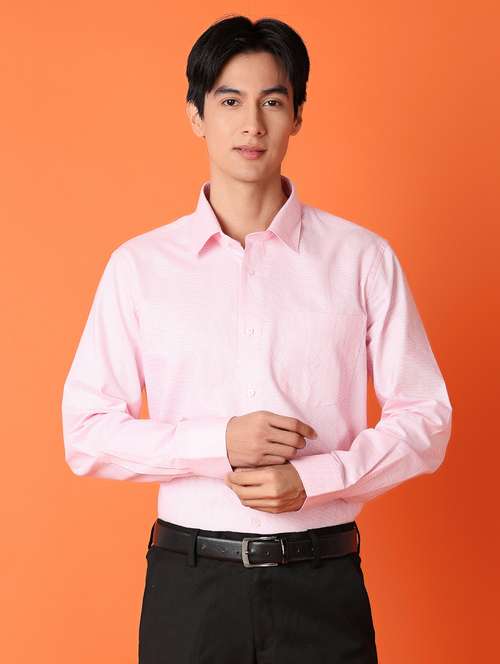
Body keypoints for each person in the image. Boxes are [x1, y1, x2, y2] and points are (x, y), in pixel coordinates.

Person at [61, 14, 453, 664]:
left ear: (297, 115)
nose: (252, 124)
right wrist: (217, 443)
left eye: (272, 101)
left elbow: (427, 417)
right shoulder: (140, 267)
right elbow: (85, 432)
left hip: (321, 584)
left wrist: (319, 478)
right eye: (229, 101)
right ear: (196, 115)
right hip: (191, 587)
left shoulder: (361, 259)